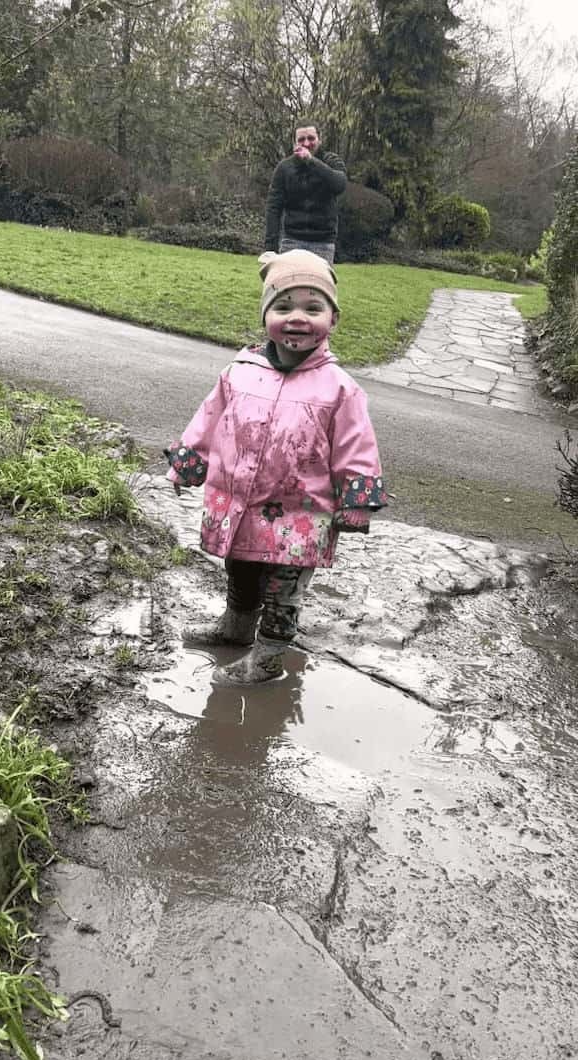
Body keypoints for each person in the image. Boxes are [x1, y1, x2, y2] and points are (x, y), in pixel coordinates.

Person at [164, 249, 387, 685]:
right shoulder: (240, 372)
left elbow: (355, 445)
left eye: (312, 307)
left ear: (333, 320)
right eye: (282, 307)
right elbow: (209, 420)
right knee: (240, 568)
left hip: (301, 513)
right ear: (266, 314)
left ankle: (267, 660)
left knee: (283, 591)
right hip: (240, 504)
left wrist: (356, 499)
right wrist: (188, 464)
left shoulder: (340, 389)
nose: (297, 318)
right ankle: (235, 628)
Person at [264, 121, 347, 265]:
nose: (307, 143)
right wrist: (270, 247)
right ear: (294, 143)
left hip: (323, 243)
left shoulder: (332, 161)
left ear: (319, 139)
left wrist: (311, 161)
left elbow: (339, 185)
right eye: (301, 140)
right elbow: (273, 207)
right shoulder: (284, 168)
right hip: (291, 241)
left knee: (319, 287)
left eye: (311, 138)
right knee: (289, 286)